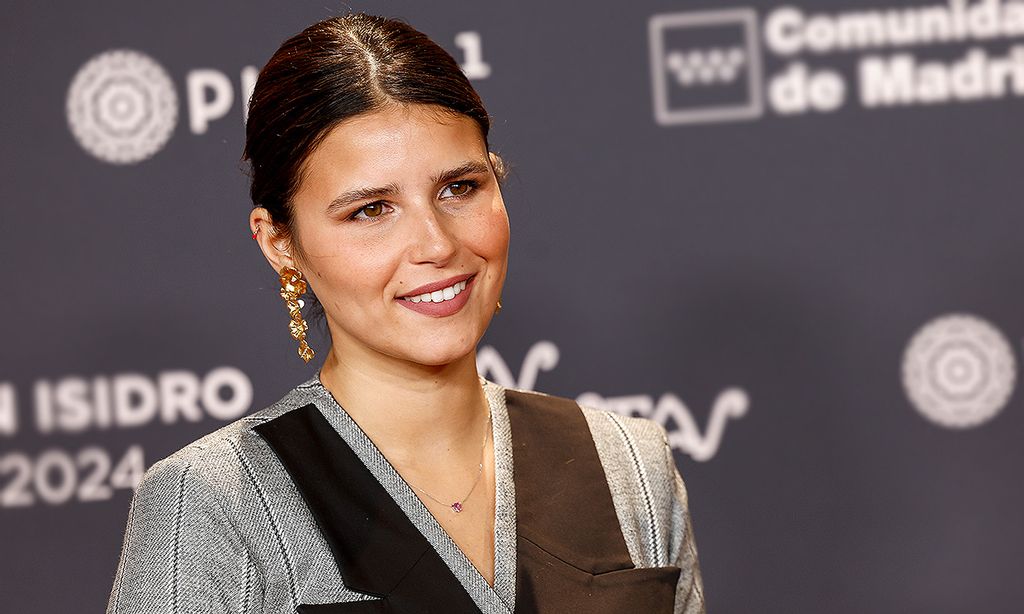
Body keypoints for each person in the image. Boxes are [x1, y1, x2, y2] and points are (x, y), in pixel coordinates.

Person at [105, 13, 704, 614]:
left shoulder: (630, 463)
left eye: (459, 189)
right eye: (370, 210)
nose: (437, 244)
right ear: (279, 243)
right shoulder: (214, 503)